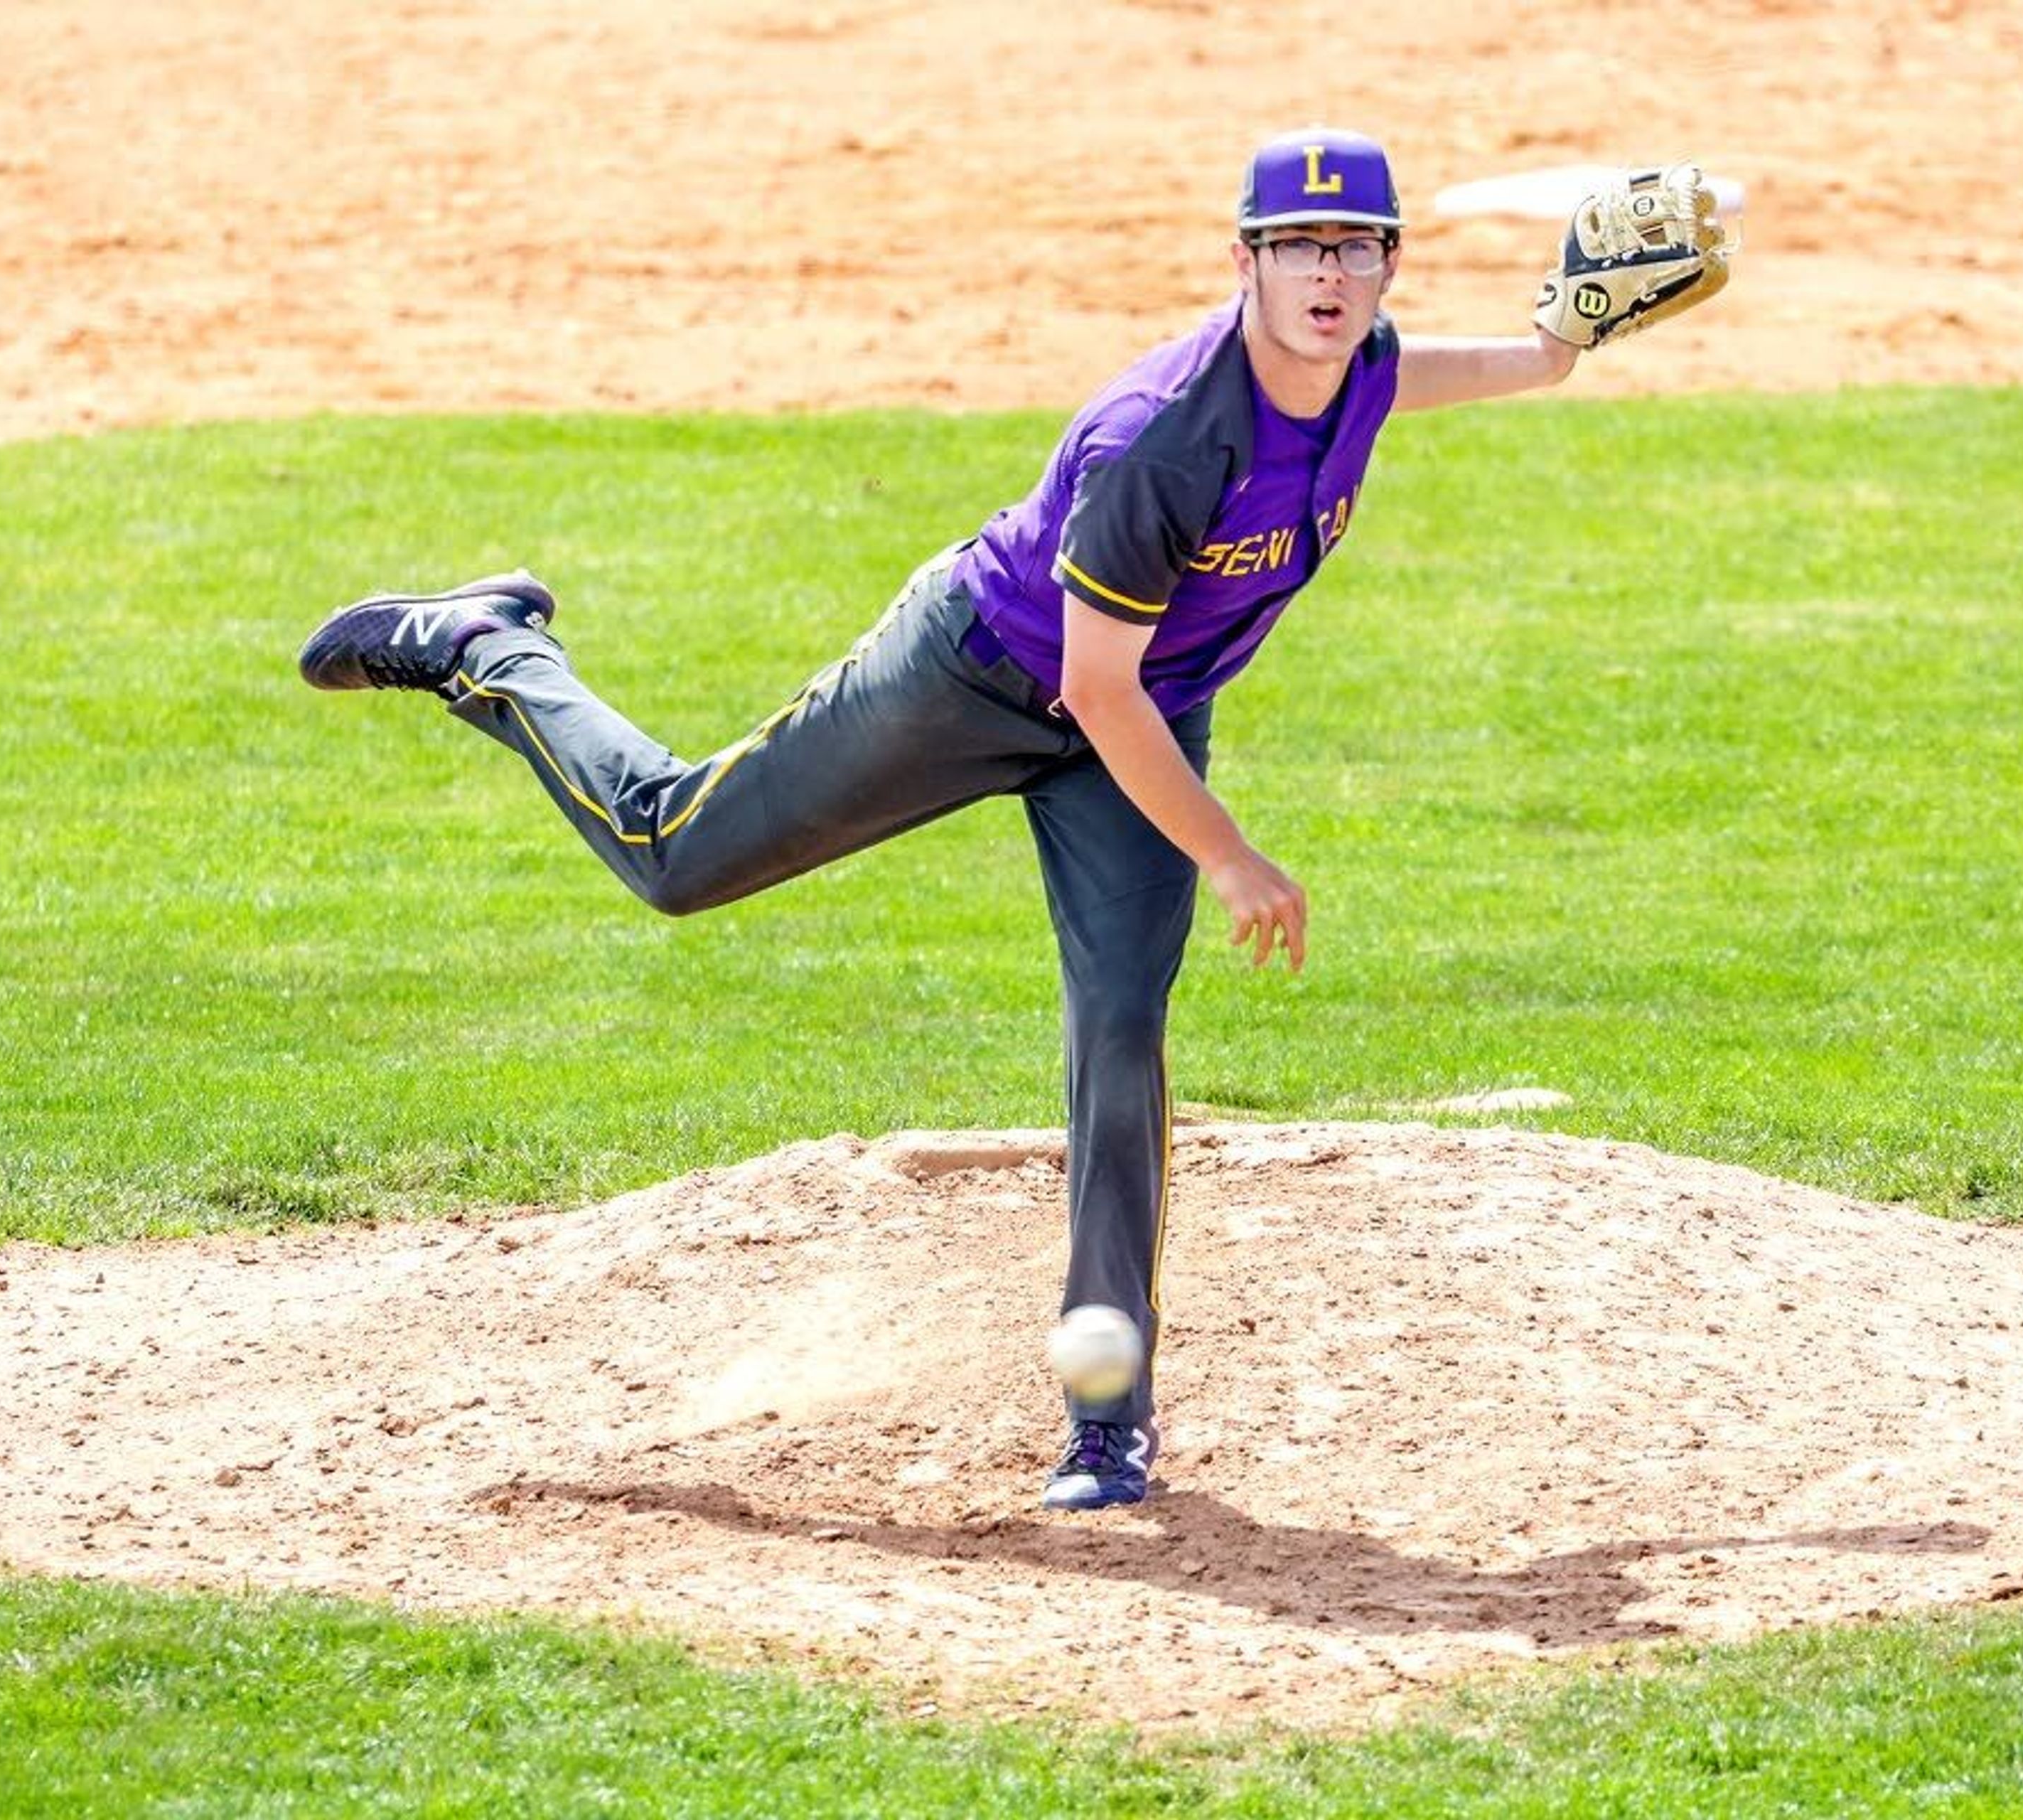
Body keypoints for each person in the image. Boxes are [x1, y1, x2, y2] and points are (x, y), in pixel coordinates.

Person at [301, 128, 1660, 1512]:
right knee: (676, 854)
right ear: (1243, 260)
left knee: (1122, 1036)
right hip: (978, 677)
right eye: (1298, 246)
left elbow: (1396, 385)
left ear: (1387, 263)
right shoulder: (1163, 441)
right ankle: (487, 647)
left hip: (1132, 725)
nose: (1328, 272)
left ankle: (1107, 1417)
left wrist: (1553, 348)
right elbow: (1092, 684)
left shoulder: (1356, 363)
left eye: (1354, 245)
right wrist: (1228, 851)